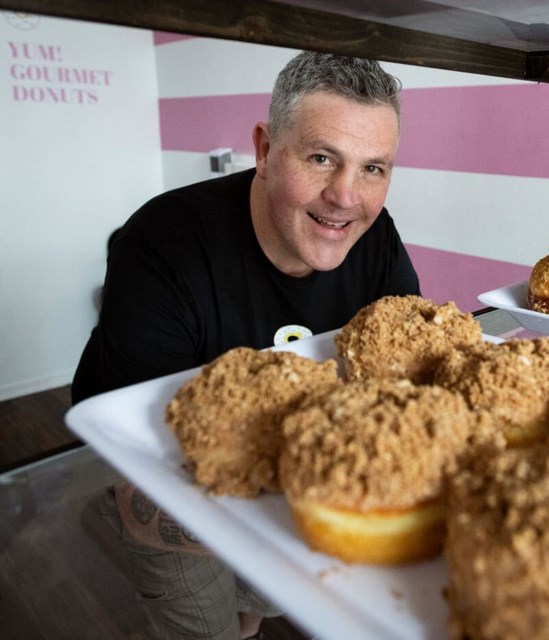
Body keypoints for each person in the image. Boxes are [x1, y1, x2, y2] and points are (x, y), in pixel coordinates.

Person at [72, 51, 420, 639]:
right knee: (206, 626)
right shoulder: (162, 244)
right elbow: (136, 468)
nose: (345, 197)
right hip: (164, 481)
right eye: (320, 158)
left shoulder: (375, 235)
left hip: (285, 472)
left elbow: (404, 382)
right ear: (263, 150)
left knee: (254, 609)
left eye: (373, 169)